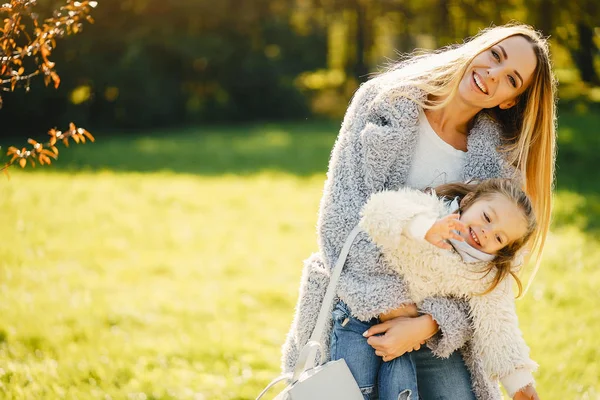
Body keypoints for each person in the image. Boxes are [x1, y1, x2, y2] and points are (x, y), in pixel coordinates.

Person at [281, 22, 556, 400]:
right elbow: (341, 218)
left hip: (436, 325)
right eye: (495, 55)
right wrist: (391, 307)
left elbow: (489, 277)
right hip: (353, 297)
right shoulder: (382, 101)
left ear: (510, 100)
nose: (492, 75)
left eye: (511, 80)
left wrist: (427, 324)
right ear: (478, 48)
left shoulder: (499, 167)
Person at [354, 178, 539, 400]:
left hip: (415, 339)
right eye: (487, 217)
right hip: (358, 316)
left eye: (499, 237)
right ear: (469, 200)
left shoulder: (482, 273)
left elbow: (499, 326)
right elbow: (378, 208)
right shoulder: (432, 211)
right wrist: (424, 228)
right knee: (350, 389)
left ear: (503, 250)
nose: (486, 232)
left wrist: (520, 384)